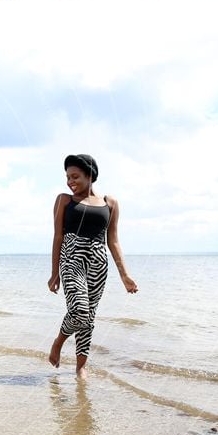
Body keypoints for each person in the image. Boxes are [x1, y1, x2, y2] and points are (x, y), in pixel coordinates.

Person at [47, 154, 137, 379]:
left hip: (98, 263)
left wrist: (124, 275)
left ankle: (80, 367)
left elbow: (113, 240)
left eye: (75, 176)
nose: (70, 181)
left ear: (90, 175)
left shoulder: (110, 203)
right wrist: (54, 272)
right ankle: (58, 342)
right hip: (71, 259)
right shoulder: (64, 200)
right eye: (67, 177)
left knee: (89, 317)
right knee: (80, 310)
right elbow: (58, 237)